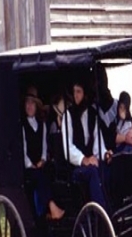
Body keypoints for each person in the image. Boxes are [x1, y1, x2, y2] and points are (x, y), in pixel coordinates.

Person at [61, 79, 112, 210]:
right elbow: (68, 148)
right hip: (75, 168)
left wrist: (105, 154)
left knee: (108, 169)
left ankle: (114, 207)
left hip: (91, 164)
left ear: (85, 94)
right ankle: (102, 213)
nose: (76, 95)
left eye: (79, 92)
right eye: (74, 92)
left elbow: (97, 142)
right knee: (93, 172)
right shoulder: (68, 116)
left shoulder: (92, 114)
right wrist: (84, 159)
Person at [22, 86, 65, 220]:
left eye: (32, 103)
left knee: (52, 170)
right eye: (27, 103)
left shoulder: (42, 125)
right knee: (38, 175)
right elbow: (23, 150)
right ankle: (51, 208)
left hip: (41, 164)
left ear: (36, 106)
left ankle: (56, 206)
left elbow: (44, 147)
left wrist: (43, 159)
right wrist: (31, 165)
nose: (29, 106)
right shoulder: (22, 126)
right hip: (29, 168)